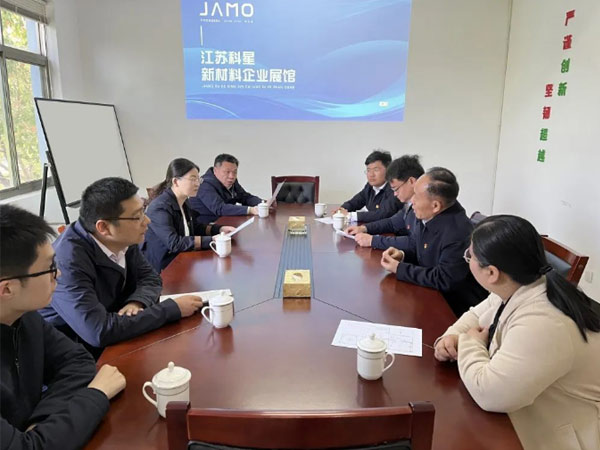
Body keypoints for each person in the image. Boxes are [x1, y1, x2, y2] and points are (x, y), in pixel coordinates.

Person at [434, 215, 600, 450]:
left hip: (553, 434)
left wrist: (470, 343)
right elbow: (476, 315)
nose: (467, 260)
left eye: (470, 256)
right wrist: (451, 336)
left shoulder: (545, 321)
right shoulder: (519, 284)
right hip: (522, 414)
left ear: (492, 273)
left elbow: (491, 394)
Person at [0, 204, 126, 450]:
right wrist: (96, 395)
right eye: (49, 268)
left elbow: (78, 361)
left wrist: (42, 423)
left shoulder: (24, 316)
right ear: (7, 289)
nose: (57, 275)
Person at [39, 177, 203, 358]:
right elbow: (98, 331)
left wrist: (137, 302)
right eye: (137, 216)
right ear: (104, 227)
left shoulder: (122, 238)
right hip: (79, 354)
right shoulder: (67, 262)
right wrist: (171, 309)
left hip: (120, 331)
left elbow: (150, 278)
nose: (147, 221)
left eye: (144, 210)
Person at [380, 167, 488, 315]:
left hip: (454, 308)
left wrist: (399, 269)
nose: (412, 201)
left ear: (436, 205)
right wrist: (402, 255)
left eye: (417, 196)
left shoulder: (457, 232)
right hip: (431, 293)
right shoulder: (430, 215)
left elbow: (443, 279)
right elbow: (422, 249)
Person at [141, 158, 236, 272]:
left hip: (181, 258)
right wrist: (212, 240)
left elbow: (195, 227)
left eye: (198, 179)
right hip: (163, 267)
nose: (197, 184)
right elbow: (174, 243)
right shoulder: (159, 207)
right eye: (193, 179)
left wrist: (219, 229)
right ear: (176, 181)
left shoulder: (184, 201)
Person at [346, 155, 423, 249]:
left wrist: (373, 241)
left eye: (396, 189)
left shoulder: (426, 206)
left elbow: (415, 243)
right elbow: (391, 223)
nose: (395, 194)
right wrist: (364, 228)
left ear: (411, 181)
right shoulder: (409, 205)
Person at [188, 153, 264, 223]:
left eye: (235, 172)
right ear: (215, 170)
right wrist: (250, 210)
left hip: (226, 221)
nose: (231, 176)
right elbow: (219, 208)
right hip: (207, 225)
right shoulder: (204, 184)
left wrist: (263, 203)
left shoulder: (231, 181)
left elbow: (245, 197)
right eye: (227, 172)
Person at [334, 149, 402, 223]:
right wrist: (342, 210)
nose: (371, 174)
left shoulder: (394, 188)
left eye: (376, 170)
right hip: (372, 227)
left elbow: (383, 214)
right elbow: (355, 202)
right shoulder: (369, 186)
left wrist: (350, 215)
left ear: (388, 170)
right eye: (368, 170)